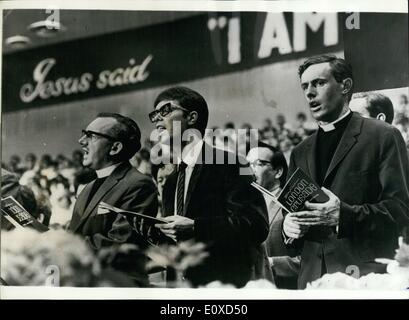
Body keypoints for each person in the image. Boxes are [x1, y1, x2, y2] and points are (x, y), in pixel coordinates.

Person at [282, 54, 409, 289]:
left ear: (345, 86)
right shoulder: (300, 151)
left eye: (319, 83)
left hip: (363, 279)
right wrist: (288, 228)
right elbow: (293, 213)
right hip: (311, 281)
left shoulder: (383, 136)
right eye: (305, 86)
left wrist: (343, 215)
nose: (309, 92)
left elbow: (400, 209)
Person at [149, 86, 269, 288]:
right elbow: (174, 240)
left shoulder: (233, 163)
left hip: (222, 288)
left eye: (165, 111)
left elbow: (256, 226)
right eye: (154, 114)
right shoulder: (170, 180)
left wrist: (196, 227)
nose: (157, 119)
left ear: (192, 118)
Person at [68, 113, 158, 286]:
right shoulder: (87, 188)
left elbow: (119, 243)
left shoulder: (138, 184)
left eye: (91, 136)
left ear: (115, 147)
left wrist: (62, 245)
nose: (81, 141)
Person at [246, 142, 300, 289]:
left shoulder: (295, 204)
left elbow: (311, 260)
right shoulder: (244, 205)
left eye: (258, 164)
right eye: (247, 164)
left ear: (278, 172)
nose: (250, 170)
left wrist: (270, 264)